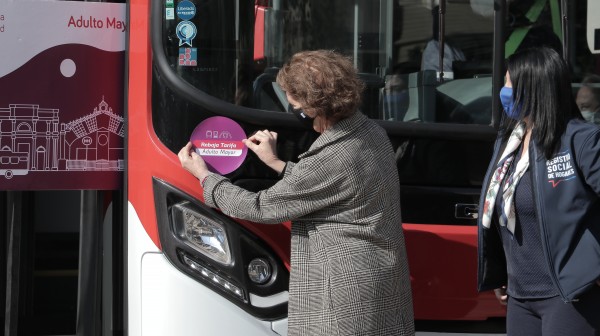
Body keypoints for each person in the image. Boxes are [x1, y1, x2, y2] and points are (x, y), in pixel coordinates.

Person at [178, 50, 415, 336]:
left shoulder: (333, 156)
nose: (291, 108)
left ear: (314, 105)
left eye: (293, 100)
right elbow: (337, 188)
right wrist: (276, 163)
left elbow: (261, 207)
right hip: (377, 281)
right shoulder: (371, 133)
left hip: (343, 294)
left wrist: (205, 177)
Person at [477, 46, 600, 335]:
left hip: (570, 297)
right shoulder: (509, 142)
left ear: (531, 86)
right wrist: (498, 272)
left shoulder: (580, 140)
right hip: (520, 296)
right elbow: (499, 210)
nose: (503, 90)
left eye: (509, 82)